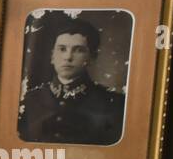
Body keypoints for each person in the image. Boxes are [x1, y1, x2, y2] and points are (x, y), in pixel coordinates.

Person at [17, 14, 126, 146]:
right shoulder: (27, 101)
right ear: (52, 56)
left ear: (92, 57)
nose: (68, 57)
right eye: (62, 49)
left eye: (78, 50)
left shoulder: (114, 104)